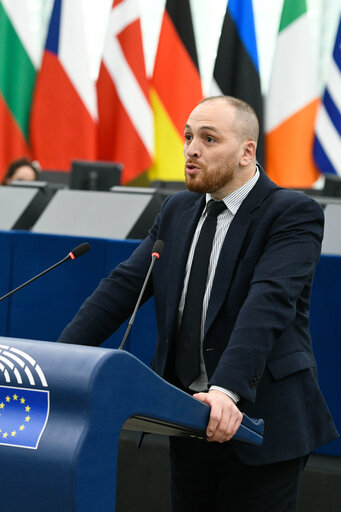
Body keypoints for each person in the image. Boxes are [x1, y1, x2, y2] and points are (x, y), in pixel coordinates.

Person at [58, 96, 338, 511]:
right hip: (189, 421)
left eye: (209, 138)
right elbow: (122, 289)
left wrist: (226, 389)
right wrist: (56, 362)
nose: (191, 149)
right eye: (188, 136)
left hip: (261, 425)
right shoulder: (176, 209)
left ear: (247, 151)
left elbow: (268, 304)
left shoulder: (291, 213)